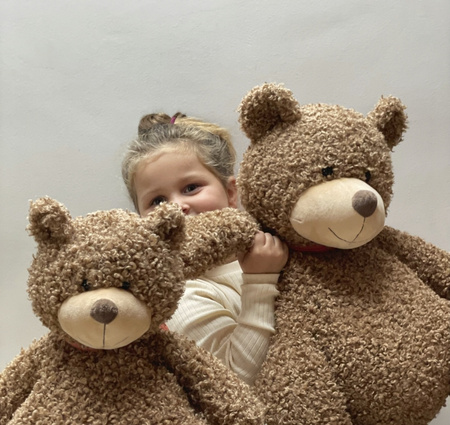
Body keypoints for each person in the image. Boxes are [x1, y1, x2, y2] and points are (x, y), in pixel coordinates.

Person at [122, 112, 288, 385]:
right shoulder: (179, 294)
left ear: (231, 193)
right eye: (157, 201)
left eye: (191, 187)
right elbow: (233, 378)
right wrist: (260, 281)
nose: (177, 207)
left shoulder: (271, 244)